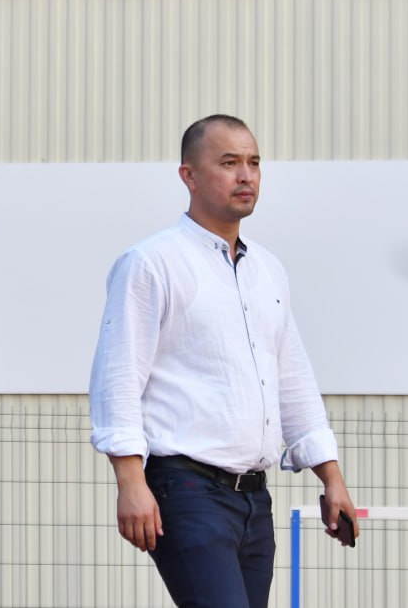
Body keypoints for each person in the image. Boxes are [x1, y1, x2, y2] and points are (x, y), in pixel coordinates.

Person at [89, 114, 358, 608]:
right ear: (188, 175)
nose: (246, 175)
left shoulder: (268, 271)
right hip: (186, 489)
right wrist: (130, 482)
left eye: (254, 163)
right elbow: (118, 376)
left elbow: (292, 379)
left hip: (255, 499)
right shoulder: (152, 263)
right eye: (229, 163)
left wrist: (331, 477)